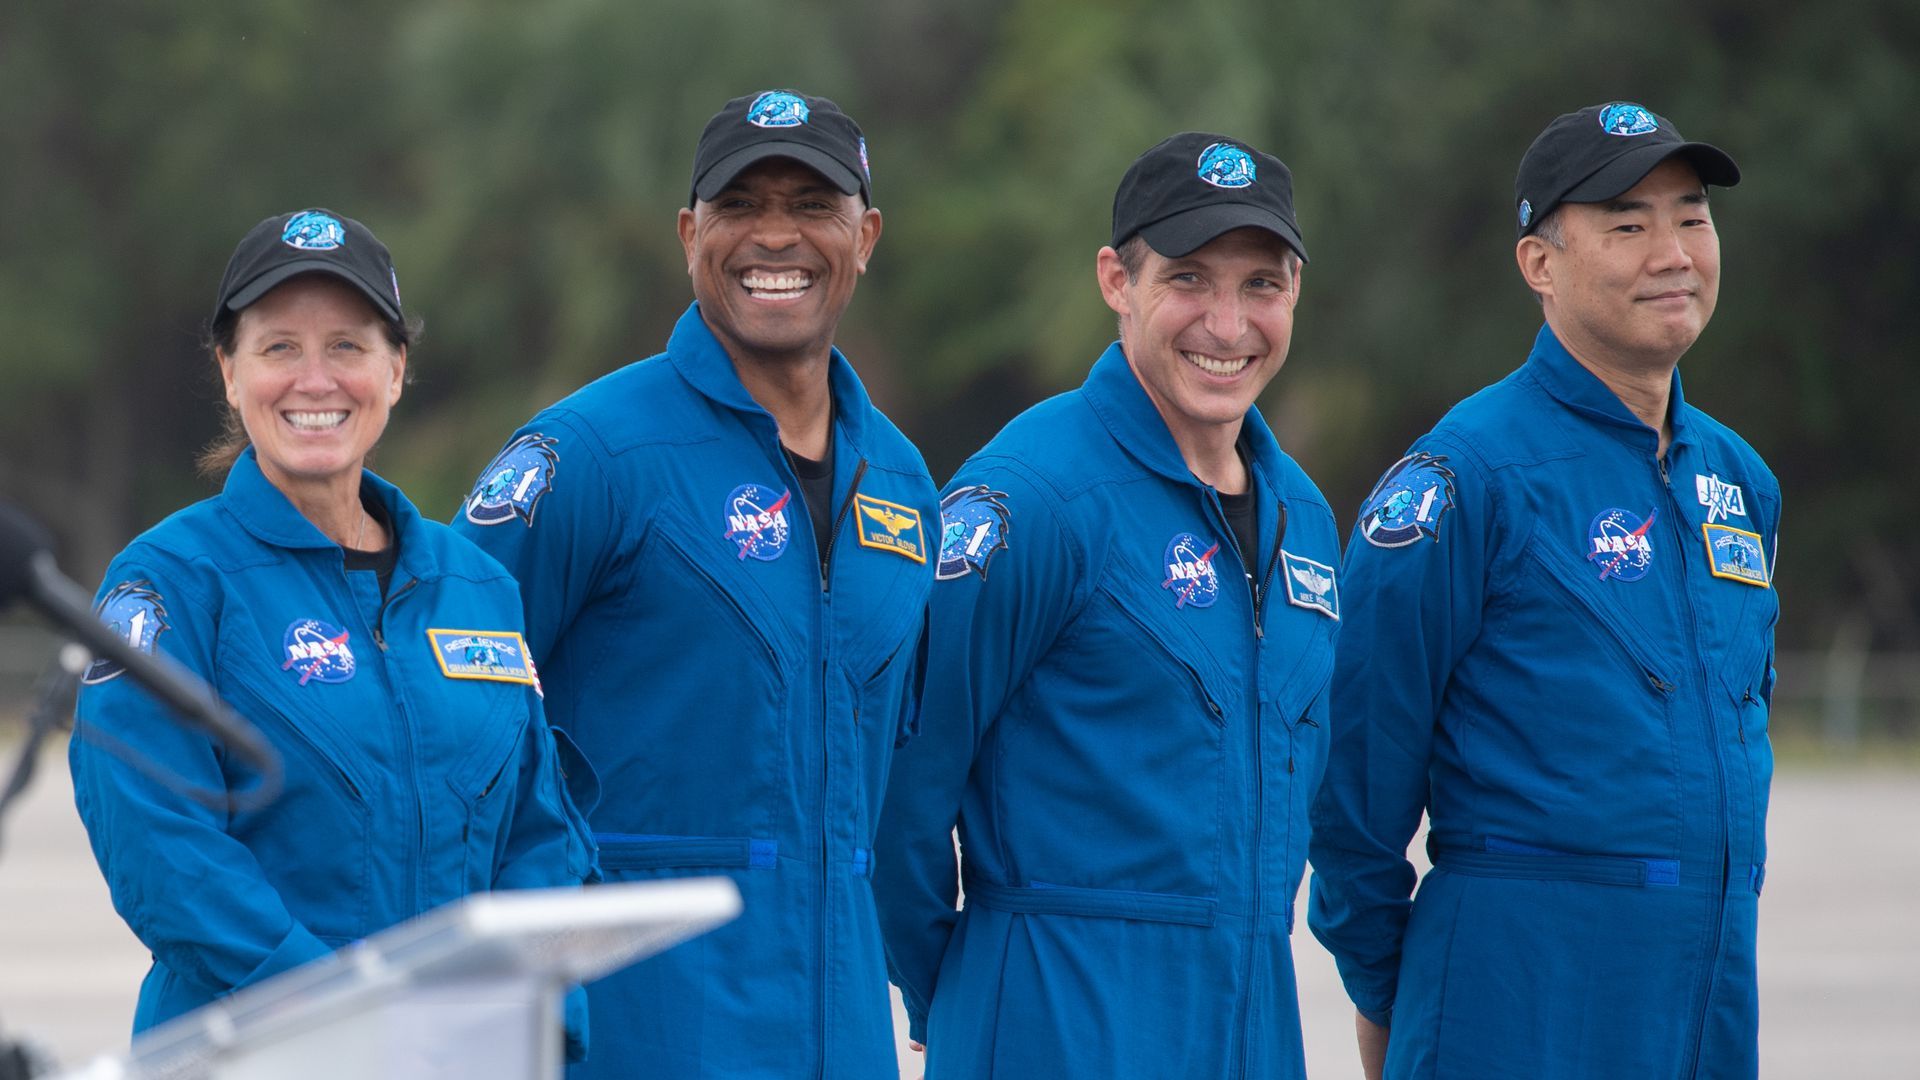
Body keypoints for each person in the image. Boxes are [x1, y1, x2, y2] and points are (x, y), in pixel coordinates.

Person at [452, 90, 937, 1078]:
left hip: (842, 1026)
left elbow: (895, 783)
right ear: (689, 234)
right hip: (637, 1021)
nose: (774, 235)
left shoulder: (903, 485)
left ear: (866, 235)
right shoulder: (590, 456)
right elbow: (448, 714)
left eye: (811, 204)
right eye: (740, 204)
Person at [1308, 102, 1778, 1079]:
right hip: (1518, 997)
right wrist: (1398, 998)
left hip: (1706, 996)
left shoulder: (1737, 482)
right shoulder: (1464, 480)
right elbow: (1355, 789)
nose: (1673, 253)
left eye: (1691, 217)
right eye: (1626, 224)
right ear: (1539, 264)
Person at [71, 209, 597, 1059]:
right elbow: (159, 846)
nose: (315, 380)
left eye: (348, 347)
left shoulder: (477, 586)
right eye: (280, 347)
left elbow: (541, 831)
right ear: (230, 373)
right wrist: (344, 1014)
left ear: (395, 371)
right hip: (252, 1055)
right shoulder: (167, 583)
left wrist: (526, 1010)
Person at [873, 132, 1341, 1078]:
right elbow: (900, 789)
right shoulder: (1032, 499)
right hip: (1057, 1022)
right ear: (1115, 282)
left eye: (1261, 284)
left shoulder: (1308, 524)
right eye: (1188, 279)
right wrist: (961, 987)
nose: (1227, 321)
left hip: (1250, 1024)